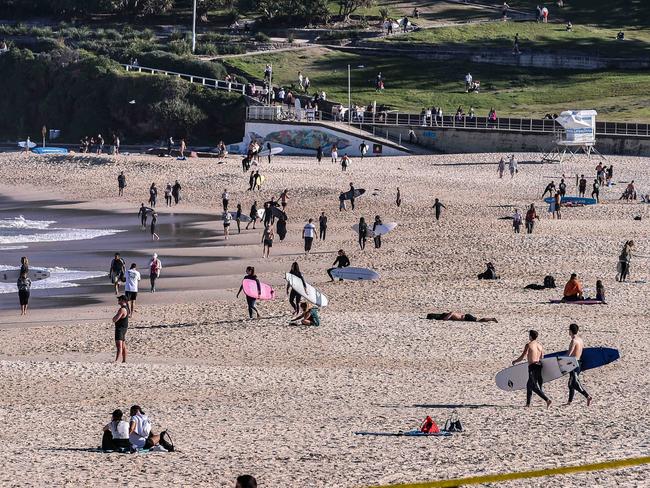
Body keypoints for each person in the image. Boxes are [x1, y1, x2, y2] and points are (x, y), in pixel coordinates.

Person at [512, 330, 552, 408]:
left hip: (532, 367)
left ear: (530, 336)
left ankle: (547, 400)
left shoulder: (528, 345)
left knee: (533, 386)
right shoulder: (540, 346)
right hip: (539, 366)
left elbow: (522, 356)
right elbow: (542, 358)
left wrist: (515, 361)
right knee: (529, 385)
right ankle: (528, 404)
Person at [566, 323, 593, 406]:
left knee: (574, 382)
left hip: (573, 363)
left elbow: (569, 354)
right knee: (570, 383)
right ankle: (569, 402)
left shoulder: (573, 341)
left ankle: (587, 396)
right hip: (579, 362)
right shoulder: (580, 340)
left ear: (570, 331)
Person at [113, 295, 129, 362]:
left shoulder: (122, 309)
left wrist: (114, 318)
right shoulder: (127, 308)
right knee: (123, 345)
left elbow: (115, 319)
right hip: (124, 328)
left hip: (120, 328)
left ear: (122, 300)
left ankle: (116, 361)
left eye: (119, 299)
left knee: (119, 346)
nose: (118, 300)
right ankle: (124, 360)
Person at [426, 312, 497, 323]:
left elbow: (452, 312)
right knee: (479, 320)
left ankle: (492, 319)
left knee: (479, 320)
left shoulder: (450, 314)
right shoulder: (450, 315)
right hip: (466, 316)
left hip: (466, 317)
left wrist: (446, 318)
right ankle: (491, 319)